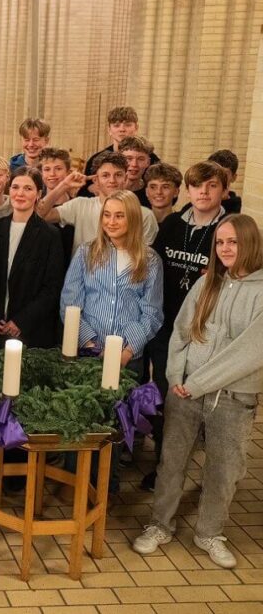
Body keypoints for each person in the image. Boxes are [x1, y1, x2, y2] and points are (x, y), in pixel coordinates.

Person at [132, 214, 263, 569]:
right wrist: (175, 374)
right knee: (172, 461)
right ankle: (160, 525)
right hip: (185, 391)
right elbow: (181, 332)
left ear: (250, 243)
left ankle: (209, 532)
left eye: (232, 242)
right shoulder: (207, 283)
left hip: (233, 398)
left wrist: (198, 383)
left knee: (224, 469)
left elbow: (248, 354)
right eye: (220, 242)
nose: (225, 249)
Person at [141, 161, 226, 491]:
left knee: (199, 400)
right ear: (187, 191)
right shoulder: (174, 224)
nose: (203, 192)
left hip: (204, 330)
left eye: (211, 186)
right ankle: (164, 466)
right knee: (166, 396)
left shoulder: (226, 229)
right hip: (167, 326)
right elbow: (155, 268)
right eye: (197, 186)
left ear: (223, 190)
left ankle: (203, 469)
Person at [60, 190, 163, 370]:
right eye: (106, 215)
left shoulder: (150, 260)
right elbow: (70, 305)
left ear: (132, 218)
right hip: (87, 353)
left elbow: (152, 313)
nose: (111, 222)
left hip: (130, 358)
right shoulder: (86, 252)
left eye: (119, 216)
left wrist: (127, 352)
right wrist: (92, 347)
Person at [0, 168, 65, 348]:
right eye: (15, 187)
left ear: (39, 194)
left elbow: (52, 287)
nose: (20, 193)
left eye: (28, 188)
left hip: (31, 331)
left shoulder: (50, 235)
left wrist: (21, 321)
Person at [40, 152, 159, 254]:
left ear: (126, 178)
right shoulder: (80, 205)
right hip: (81, 276)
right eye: (105, 175)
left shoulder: (144, 215)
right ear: (96, 180)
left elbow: (145, 261)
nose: (112, 181)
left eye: (118, 175)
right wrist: (64, 185)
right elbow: (40, 215)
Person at [83, 106, 160, 180]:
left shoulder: (152, 159)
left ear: (136, 128)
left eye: (127, 125)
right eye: (116, 125)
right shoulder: (96, 159)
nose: (122, 129)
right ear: (109, 130)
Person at [119, 136, 155, 204]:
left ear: (148, 162)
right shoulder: (109, 190)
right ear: (119, 160)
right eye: (129, 158)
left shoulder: (152, 194)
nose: (134, 164)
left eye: (140, 159)